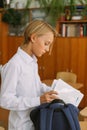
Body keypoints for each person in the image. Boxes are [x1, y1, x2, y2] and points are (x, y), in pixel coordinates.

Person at [0, 19, 58, 130]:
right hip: (21, 126)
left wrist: (52, 90)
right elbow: (5, 100)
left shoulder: (32, 62)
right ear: (34, 38)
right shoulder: (15, 65)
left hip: (34, 122)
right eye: (46, 44)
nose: (47, 49)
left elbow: (37, 86)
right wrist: (38, 100)